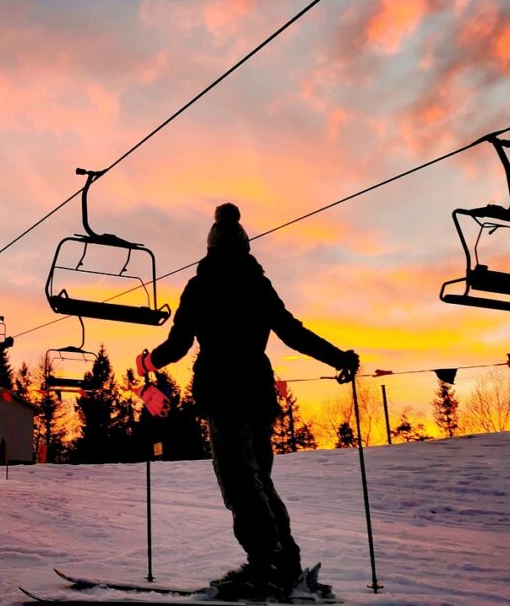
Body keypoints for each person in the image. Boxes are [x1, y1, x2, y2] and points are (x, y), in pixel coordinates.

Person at [136, 203, 359, 600]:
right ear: (244, 245)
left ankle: (265, 565)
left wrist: (148, 361)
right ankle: (283, 560)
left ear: (210, 246)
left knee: (239, 482)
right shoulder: (258, 284)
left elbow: (179, 344)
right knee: (258, 479)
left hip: (222, 392)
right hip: (257, 392)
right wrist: (338, 356)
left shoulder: (201, 286)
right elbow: (293, 333)